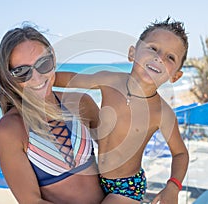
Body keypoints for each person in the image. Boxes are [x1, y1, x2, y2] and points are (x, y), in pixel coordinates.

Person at [55, 17, 189, 204]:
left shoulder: (162, 113)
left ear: (175, 76)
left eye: (170, 57)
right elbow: (73, 79)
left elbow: (181, 153)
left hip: (127, 186)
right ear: (132, 53)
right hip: (95, 176)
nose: (159, 58)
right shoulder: (110, 80)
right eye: (153, 48)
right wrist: (41, 79)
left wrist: (173, 186)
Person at [0, 24, 105, 204]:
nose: (36, 78)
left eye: (43, 64)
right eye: (22, 71)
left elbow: (119, 156)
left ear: (53, 57)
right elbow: (31, 201)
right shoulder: (10, 130)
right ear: (9, 76)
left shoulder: (81, 103)